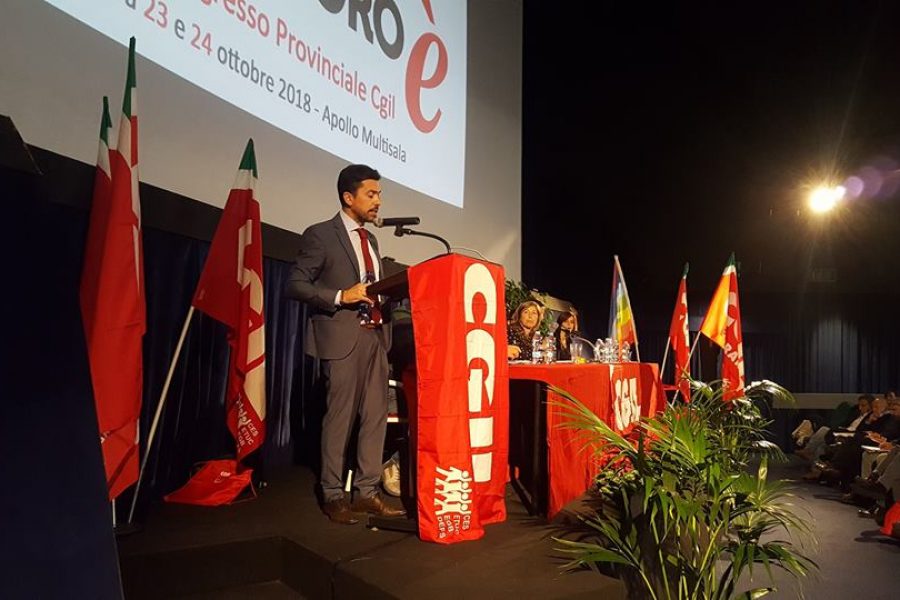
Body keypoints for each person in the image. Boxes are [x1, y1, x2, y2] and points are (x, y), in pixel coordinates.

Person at [287, 164, 405, 524]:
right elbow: (295, 285)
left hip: (375, 339)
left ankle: (367, 493)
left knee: (375, 419)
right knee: (339, 419)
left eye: (380, 195)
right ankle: (333, 493)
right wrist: (340, 295)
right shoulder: (321, 235)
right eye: (372, 194)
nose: (378, 202)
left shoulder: (372, 240)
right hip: (342, 339)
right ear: (348, 197)